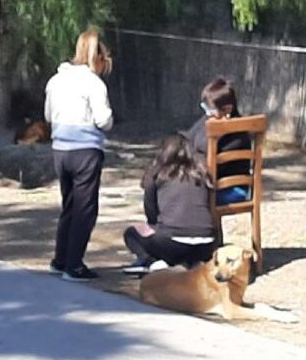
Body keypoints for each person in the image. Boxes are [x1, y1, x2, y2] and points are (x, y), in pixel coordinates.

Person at [44, 29, 113, 282]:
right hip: (85, 151)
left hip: (60, 151)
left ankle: (60, 259)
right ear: (98, 58)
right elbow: (103, 119)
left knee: (69, 206)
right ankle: (74, 265)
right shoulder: (94, 83)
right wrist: (110, 120)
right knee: (85, 209)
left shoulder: (56, 80)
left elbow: (48, 115)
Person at [122, 134, 216, 273]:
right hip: (206, 243)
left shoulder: (158, 174)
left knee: (131, 233)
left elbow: (151, 210)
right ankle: (193, 262)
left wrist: (154, 225)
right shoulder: (202, 173)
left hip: (172, 243)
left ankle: (152, 263)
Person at [182, 77, 252, 205]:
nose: (208, 113)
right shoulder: (210, 118)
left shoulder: (238, 132)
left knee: (187, 197)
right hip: (207, 182)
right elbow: (188, 139)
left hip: (231, 188)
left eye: (211, 110)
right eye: (205, 108)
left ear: (228, 109)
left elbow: (214, 166)